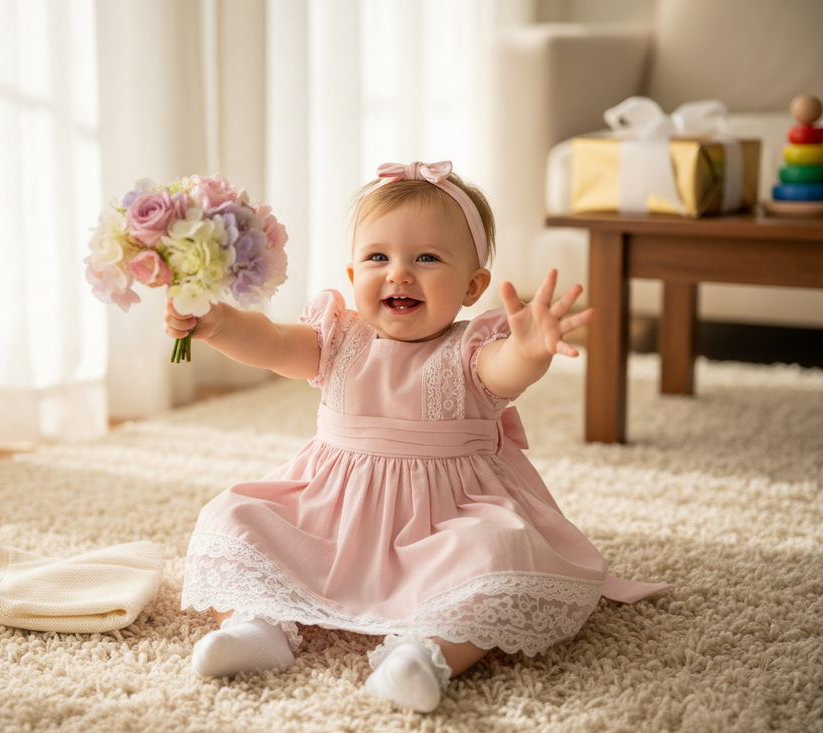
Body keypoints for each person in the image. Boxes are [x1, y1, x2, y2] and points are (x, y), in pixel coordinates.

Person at [165, 161, 670, 713]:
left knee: (498, 551)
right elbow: (271, 342)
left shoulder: (472, 349)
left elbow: (503, 371)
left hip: (445, 517)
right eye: (378, 257)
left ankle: (423, 655)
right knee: (233, 515)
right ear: (354, 275)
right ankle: (255, 627)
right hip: (328, 513)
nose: (399, 273)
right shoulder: (339, 338)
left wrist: (529, 350)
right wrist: (216, 323)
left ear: (473, 286)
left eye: (427, 258)